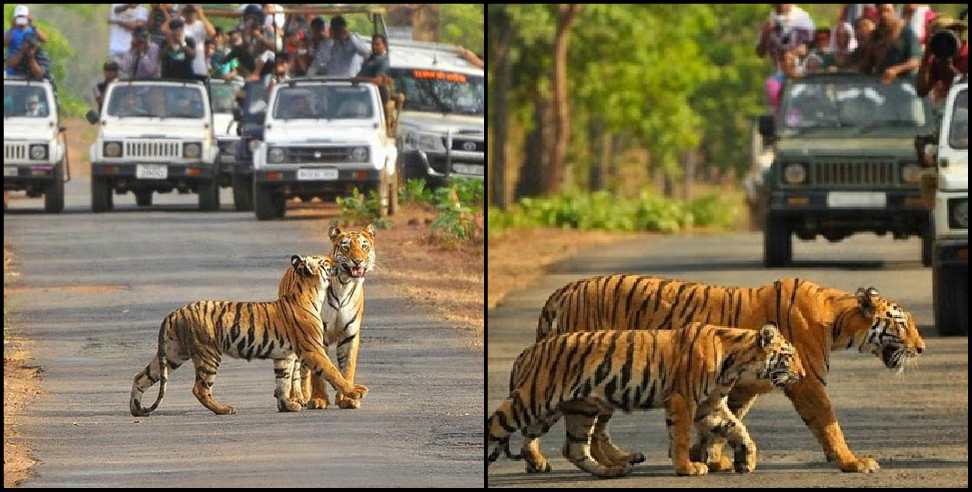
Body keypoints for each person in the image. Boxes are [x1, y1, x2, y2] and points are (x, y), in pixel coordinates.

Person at [756, 4, 815, 109]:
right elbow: (760, 53)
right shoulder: (770, 22)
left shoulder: (802, 19)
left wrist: (796, 52)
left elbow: (812, 47)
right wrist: (765, 34)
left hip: (801, 75)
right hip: (778, 76)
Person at [860, 3, 923, 84]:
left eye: (887, 11)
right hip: (880, 83)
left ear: (894, 11)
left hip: (903, 83)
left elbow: (916, 61)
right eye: (880, 12)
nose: (884, 15)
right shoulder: (875, 36)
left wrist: (896, 70)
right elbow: (867, 66)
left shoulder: (906, 32)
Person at [916, 17, 968, 107]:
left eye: (955, 31)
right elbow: (921, 90)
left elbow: (964, 89)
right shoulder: (937, 59)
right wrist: (926, 56)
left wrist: (949, 67)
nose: (946, 41)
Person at [5, 6, 48, 76]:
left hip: (30, 67)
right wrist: (12, 27)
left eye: (23, 17)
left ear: (28, 17)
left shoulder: (32, 30)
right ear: (15, 18)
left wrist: (32, 24)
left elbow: (45, 39)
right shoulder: (10, 32)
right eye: (19, 17)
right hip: (12, 72)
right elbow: (5, 43)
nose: (21, 19)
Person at [177, 4, 216, 78]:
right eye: (187, 11)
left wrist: (200, 13)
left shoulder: (201, 24)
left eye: (192, 11)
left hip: (198, 66)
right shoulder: (179, 24)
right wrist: (179, 12)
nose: (190, 14)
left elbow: (212, 32)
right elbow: (166, 29)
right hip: (181, 65)